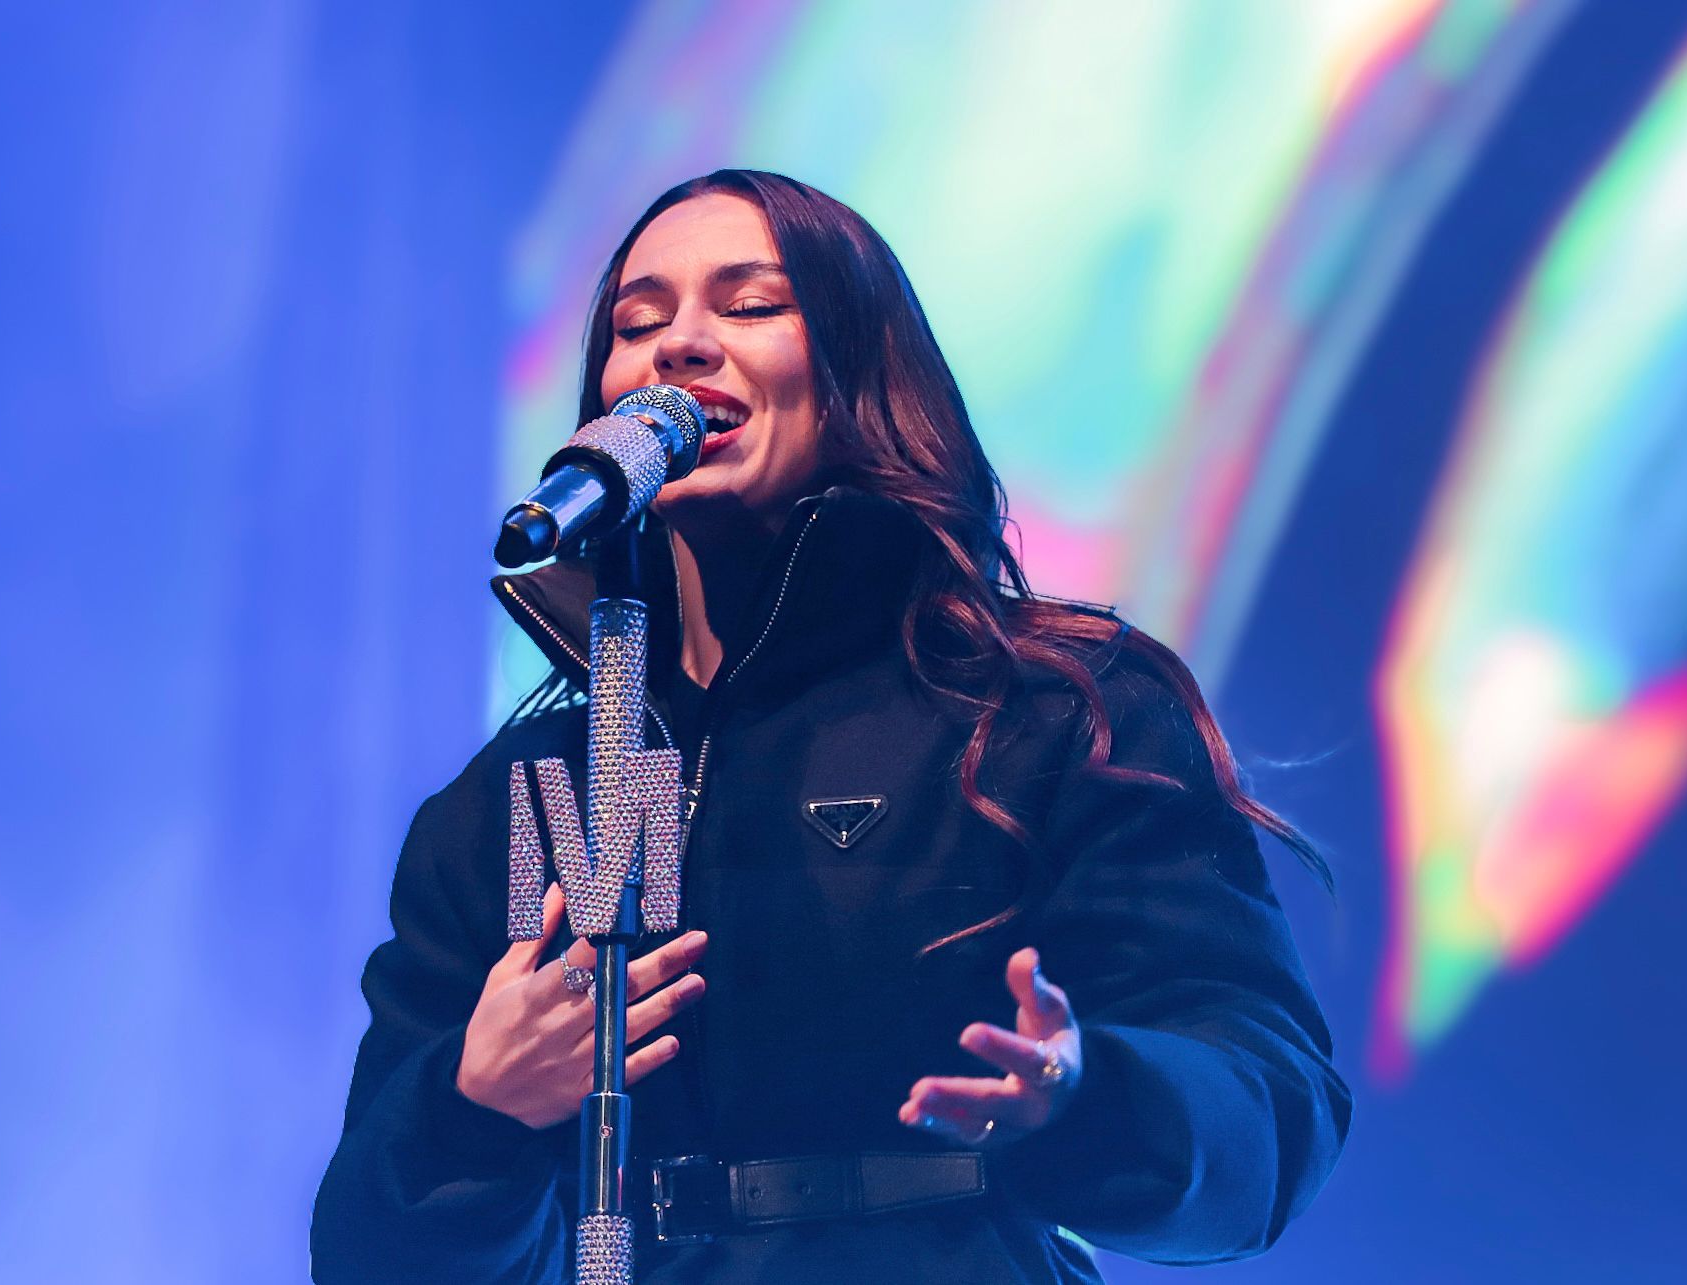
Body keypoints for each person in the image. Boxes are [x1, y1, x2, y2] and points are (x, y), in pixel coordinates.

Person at [311, 169, 1351, 1284]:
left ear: (859, 370)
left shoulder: (1047, 712)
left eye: (750, 304)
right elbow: (370, 1254)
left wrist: (1090, 1095)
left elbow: (1264, 1093)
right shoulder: (526, 795)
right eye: (636, 324)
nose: (679, 345)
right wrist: (469, 1108)